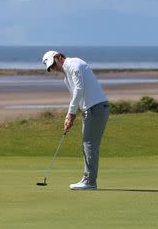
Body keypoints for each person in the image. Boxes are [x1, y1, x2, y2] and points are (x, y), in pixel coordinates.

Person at [42, 50, 110, 190]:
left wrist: (71, 114)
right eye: (52, 68)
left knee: (89, 144)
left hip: (96, 108)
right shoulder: (66, 77)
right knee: (88, 144)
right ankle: (88, 179)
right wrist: (70, 117)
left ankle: (90, 181)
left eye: (54, 65)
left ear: (59, 57)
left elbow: (79, 89)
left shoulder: (74, 64)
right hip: (90, 109)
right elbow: (77, 96)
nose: (55, 68)